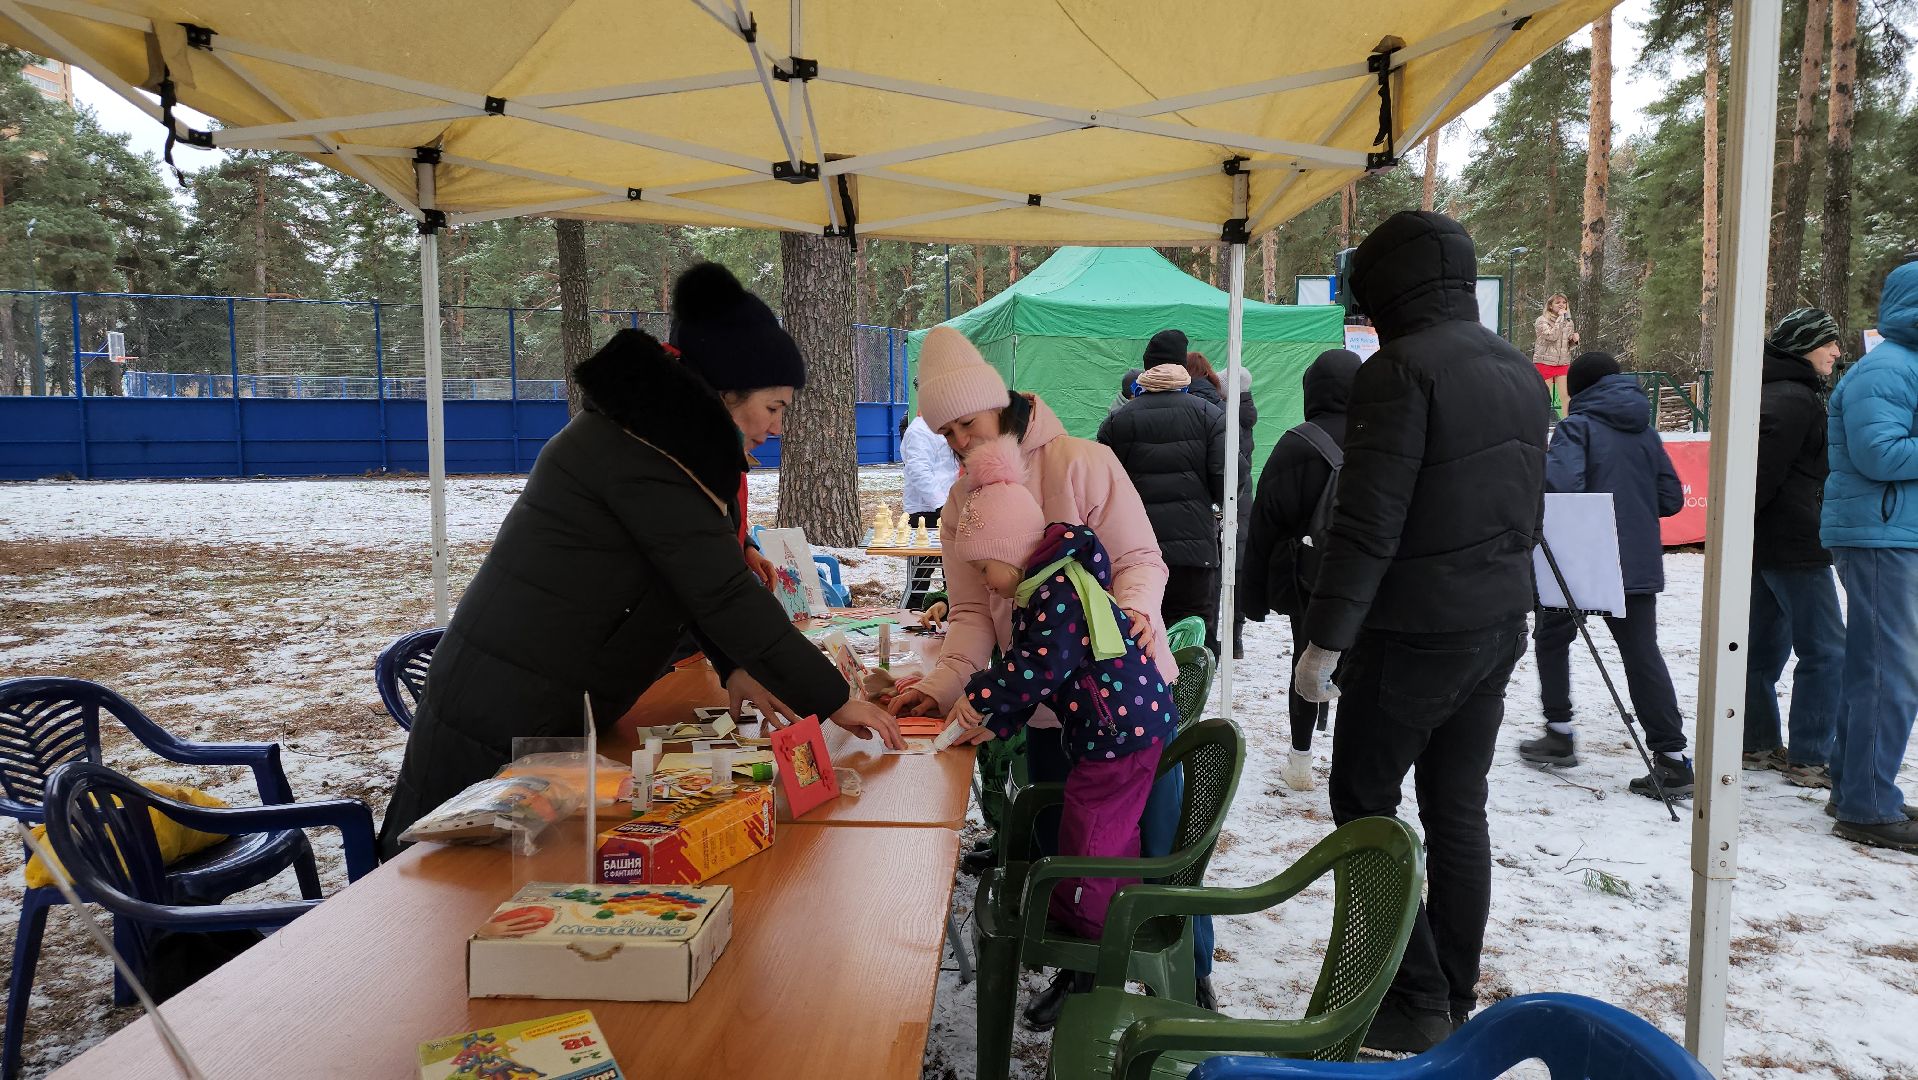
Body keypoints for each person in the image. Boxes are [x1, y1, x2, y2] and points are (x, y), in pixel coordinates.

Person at [379, 308, 905, 856]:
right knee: (439, 881)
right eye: (773, 408)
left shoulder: (666, 442)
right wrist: (835, 698)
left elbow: (687, 575)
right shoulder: (646, 452)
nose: (777, 428)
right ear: (726, 395)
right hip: (505, 704)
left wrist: (735, 665)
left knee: (522, 874)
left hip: (541, 694)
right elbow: (723, 592)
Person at [1292, 211, 1549, 1052]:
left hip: (1415, 630)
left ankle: (1414, 994)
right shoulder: (1516, 368)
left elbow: (1369, 521)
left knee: (1363, 802)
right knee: (1456, 806)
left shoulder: (1398, 371)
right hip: (1496, 620)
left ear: (1388, 287)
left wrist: (1325, 639)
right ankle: (1454, 992)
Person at [889, 327, 1173, 886]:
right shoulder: (960, 499)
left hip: (1129, 697)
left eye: (966, 423)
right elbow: (971, 614)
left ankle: (1187, 966)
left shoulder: (1082, 463)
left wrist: (1134, 609)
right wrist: (943, 687)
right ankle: (1079, 965)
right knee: (1067, 852)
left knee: (1155, 849)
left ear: (998, 402)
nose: (958, 442)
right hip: (1046, 705)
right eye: (945, 432)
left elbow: (1140, 557)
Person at [943, 437, 1176, 1026]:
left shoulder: (1053, 596)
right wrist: (997, 719)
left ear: (1009, 549)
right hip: (1123, 724)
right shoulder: (1051, 585)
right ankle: (1104, 920)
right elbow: (1039, 675)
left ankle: (1094, 956)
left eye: (984, 567)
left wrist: (983, 700)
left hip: (1116, 732)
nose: (985, 582)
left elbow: (1037, 667)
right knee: (1103, 831)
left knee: (1087, 839)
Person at [1516, 352, 1690, 798]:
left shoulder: (1577, 428)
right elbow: (1670, 499)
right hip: (1636, 564)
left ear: (1576, 390)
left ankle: (1559, 732)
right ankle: (1672, 758)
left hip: (1581, 562)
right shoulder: (1646, 431)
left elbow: (1560, 489)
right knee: (1641, 654)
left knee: (1553, 639)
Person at [1822, 259, 1918, 852]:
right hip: (1881, 538)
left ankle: (1858, 788)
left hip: (1890, 536)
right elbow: (1880, 454)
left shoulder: (1899, 366)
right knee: (1890, 673)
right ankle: (1868, 804)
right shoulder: (1885, 369)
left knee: (1874, 667)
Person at [1242, 348, 1362, 792]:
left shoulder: (1297, 443)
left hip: (1310, 581)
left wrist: (1252, 599)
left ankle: (1300, 758)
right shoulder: (1385, 437)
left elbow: (1263, 525)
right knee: (1365, 666)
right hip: (1377, 583)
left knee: (1306, 662)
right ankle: (1355, 760)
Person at [1743, 308, 1846, 787]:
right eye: (1829, 343)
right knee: (1827, 650)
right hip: (1793, 542)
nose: (1837, 353)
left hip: (1771, 539)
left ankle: (1756, 741)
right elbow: (1761, 472)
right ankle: (1810, 754)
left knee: (1761, 649)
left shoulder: (1778, 391)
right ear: (1806, 344)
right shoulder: (1792, 398)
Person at [1098, 361, 1227, 654]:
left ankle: (1146, 697)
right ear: (1185, 385)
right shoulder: (1210, 416)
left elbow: (1103, 485)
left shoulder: (1118, 421)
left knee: (1139, 630)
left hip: (1134, 547)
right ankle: (1186, 697)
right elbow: (1228, 482)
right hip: (1194, 550)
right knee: (1192, 629)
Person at [1185, 351, 1259, 660]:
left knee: (1215, 571)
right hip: (1241, 498)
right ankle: (1236, 639)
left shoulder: (1217, 414)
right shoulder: (1242, 414)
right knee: (1237, 569)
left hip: (1222, 500)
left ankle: (1213, 638)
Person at [901, 408, 961, 609]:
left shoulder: (944, 429)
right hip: (928, 511)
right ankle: (912, 614)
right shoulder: (919, 431)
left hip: (946, 506)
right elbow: (919, 472)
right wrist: (942, 506)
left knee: (952, 571)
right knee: (920, 575)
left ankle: (951, 609)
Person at [1533, 294, 1579, 418]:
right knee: (1544, 397)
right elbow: (1551, 337)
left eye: (1564, 302)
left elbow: (1566, 345)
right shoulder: (1542, 320)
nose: (1561, 305)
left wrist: (1574, 341)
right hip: (1545, 362)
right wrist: (1560, 320)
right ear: (1550, 305)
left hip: (1562, 363)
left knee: (1566, 396)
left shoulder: (1569, 322)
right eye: (1558, 302)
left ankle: (1566, 423)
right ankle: (1540, 425)